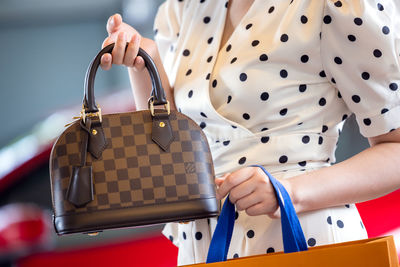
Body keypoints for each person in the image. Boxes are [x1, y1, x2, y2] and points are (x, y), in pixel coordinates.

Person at [100, 0, 400, 265]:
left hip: (305, 237)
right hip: (207, 243)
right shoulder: (182, 10)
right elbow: (171, 154)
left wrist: (290, 192)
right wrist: (144, 62)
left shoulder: (337, 5)